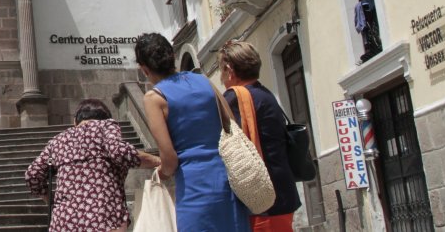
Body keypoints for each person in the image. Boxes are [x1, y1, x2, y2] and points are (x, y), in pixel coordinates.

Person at [136, 32, 249, 232]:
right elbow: (231, 123)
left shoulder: (154, 98)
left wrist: (160, 173)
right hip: (227, 181)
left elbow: (169, 160)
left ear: (144, 69)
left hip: (194, 190)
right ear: (172, 56)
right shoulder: (203, 80)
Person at [25, 98, 161, 232]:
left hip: (64, 222)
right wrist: (158, 161)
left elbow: (32, 174)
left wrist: (52, 201)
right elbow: (119, 151)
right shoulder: (105, 126)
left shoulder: (58, 140)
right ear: (106, 118)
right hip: (104, 220)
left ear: (75, 122)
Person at [219, 40, 302, 231]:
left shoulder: (234, 98)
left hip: (261, 198)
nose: (223, 79)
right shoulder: (264, 93)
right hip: (280, 192)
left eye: (222, 72)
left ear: (229, 69)